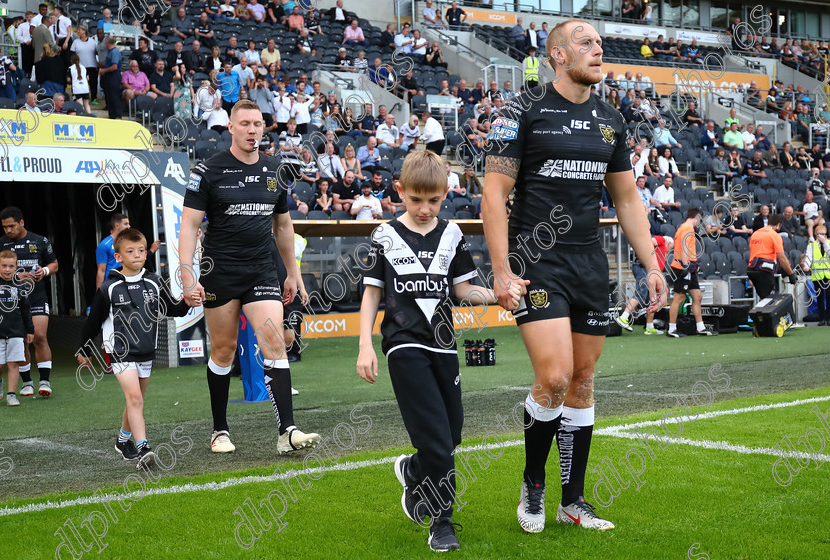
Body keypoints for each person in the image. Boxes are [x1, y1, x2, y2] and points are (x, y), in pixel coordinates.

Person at [482, 19, 665, 535]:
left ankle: (573, 501)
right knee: (556, 377)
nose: (598, 49)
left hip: (590, 265)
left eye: (600, 42)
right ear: (558, 56)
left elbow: (627, 198)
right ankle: (533, 487)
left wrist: (651, 266)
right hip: (536, 261)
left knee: (582, 382)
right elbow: (493, 196)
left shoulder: (612, 119)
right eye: (585, 42)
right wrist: (500, 270)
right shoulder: (521, 112)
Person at [357, 150, 519, 552]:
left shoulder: (453, 234)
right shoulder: (384, 236)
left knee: (452, 433)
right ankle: (442, 521)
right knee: (435, 437)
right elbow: (371, 295)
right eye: (416, 200)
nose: (425, 208)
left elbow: (463, 290)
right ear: (399, 192)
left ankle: (412, 470)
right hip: (404, 344)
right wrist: (365, 346)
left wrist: (497, 296)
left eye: (434, 200)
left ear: (446, 194)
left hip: (444, 344)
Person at [179, 99, 320, 454]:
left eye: (257, 124)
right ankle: (219, 430)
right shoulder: (207, 170)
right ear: (231, 127)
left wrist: (292, 273)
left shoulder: (275, 170)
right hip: (219, 274)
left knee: (274, 342)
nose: (252, 130)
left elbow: (283, 225)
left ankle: (287, 431)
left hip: (261, 270)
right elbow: (189, 225)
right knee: (224, 350)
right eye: (245, 124)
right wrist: (186, 277)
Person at [78, 228, 193, 467]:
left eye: (141, 250)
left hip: (145, 350)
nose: (138, 255)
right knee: (134, 398)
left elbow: (172, 309)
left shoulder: (153, 280)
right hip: (119, 351)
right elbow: (92, 323)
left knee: (136, 399)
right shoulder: (108, 288)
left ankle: (123, 441)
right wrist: (84, 349)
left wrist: (187, 302)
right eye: (130, 251)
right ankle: (144, 449)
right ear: (118, 257)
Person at [0, 207, 59, 397]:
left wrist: (43, 271)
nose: (8, 230)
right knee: (22, 341)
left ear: (21, 222)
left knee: (39, 337)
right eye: (4, 227)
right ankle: (27, 382)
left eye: (11, 226)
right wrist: (15, 275)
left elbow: (54, 264)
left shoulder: (40, 241)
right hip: (11, 301)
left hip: (37, 296)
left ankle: (44, 381)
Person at [0, 250, 34, 407]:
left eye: (11, 266)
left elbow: (26, 311)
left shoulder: (21, 287)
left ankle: (11, 395)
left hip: (16, 332)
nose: (7, 269)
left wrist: (30, 330)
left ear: (16, 267)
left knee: (13, 363)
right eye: (4, 266)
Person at [666, 208, 717, 337]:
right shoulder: (687, 228)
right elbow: (683, 248)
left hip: (689, 267)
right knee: (679, 298)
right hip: (683, 267)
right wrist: (685, 267)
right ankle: (671, 329)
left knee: (697, 296)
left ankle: (700, 328)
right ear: (697, 217)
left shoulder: (685, 228)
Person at [615, 235, 673, 335]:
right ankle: (623, 317)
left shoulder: (661, 247)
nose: (668, 252)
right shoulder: (662, 240)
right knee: (641, 292)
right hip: (643, 268)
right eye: (670, 249)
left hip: (650, 271)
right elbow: (649, 243)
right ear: (668, 244)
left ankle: (649, 327)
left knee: (652, 299)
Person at [747, 214, 798, 299]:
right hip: (764, 269)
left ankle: (758, 311)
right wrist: (791, 274)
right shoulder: (774, 235)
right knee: (769, 299)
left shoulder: (756, 233)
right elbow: (782, 258)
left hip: (751, 268)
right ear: (778, 225)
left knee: (763, 297)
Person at [803, 225, 830, 325]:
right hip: (817, 275)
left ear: (826, 235)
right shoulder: (812, 245)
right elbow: (808, 257)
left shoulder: (829, 243)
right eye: (818, 234)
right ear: (815, 234)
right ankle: (822, 319)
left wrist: (825, 243)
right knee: (820, 297)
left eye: (822, 234)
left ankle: (829, 318)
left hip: (828, 275)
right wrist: (806, 266)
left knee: (829, 296)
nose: (820, 236)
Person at [96, 213, 130, 288]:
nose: (129, 226)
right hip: (112, 284)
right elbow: (101, 270)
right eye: (126, 224)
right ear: (117, 225)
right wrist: (99, 293)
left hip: (127, 282)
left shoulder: (128, 242)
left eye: (128, 224)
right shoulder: (104, 245)